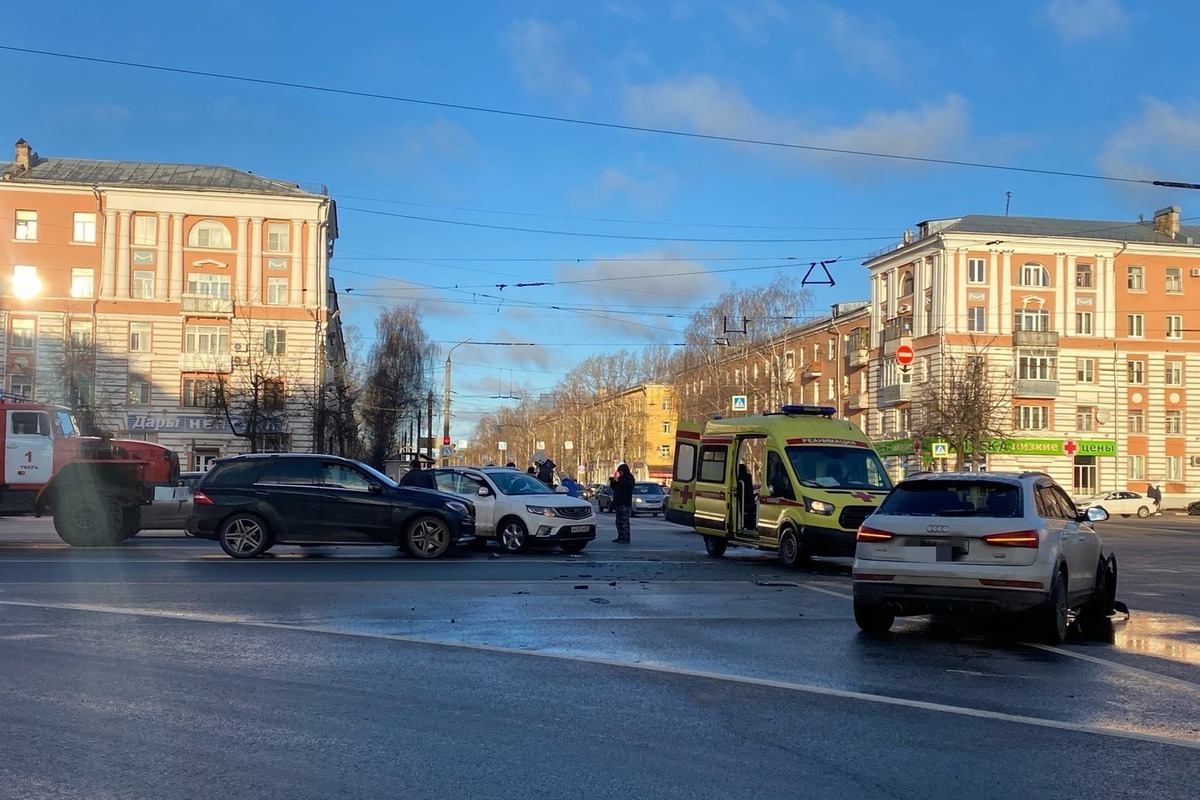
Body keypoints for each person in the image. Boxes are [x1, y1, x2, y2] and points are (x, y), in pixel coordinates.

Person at [611, 463, 635, 543]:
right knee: (618, 521)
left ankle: (626, 537)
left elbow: (628, 487)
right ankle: (620, 536)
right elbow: (615, 488)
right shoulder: (620, 478)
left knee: (624, 521)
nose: (620, 473)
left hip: (624, 502)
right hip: (618, 502)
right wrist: (613, 481)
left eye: (621, 471)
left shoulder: (629, 478)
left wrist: (618, 481)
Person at [737, 464, 756, 531]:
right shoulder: (748, 477)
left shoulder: (738, 477)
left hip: (742, 499)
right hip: (749, 499)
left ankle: (747, 525)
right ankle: (750, 526)